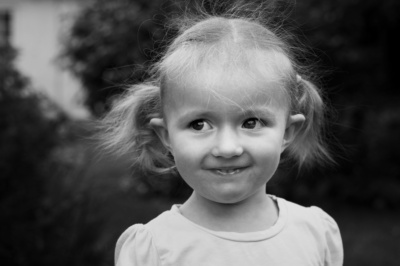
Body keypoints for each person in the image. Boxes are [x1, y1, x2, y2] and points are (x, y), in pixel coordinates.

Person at [101, 1, 344, 265]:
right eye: (199, 124)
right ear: (166, 135)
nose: (227, 148)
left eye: (251, 122)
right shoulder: (153, 249)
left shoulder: (314, 233)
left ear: (287, 131)